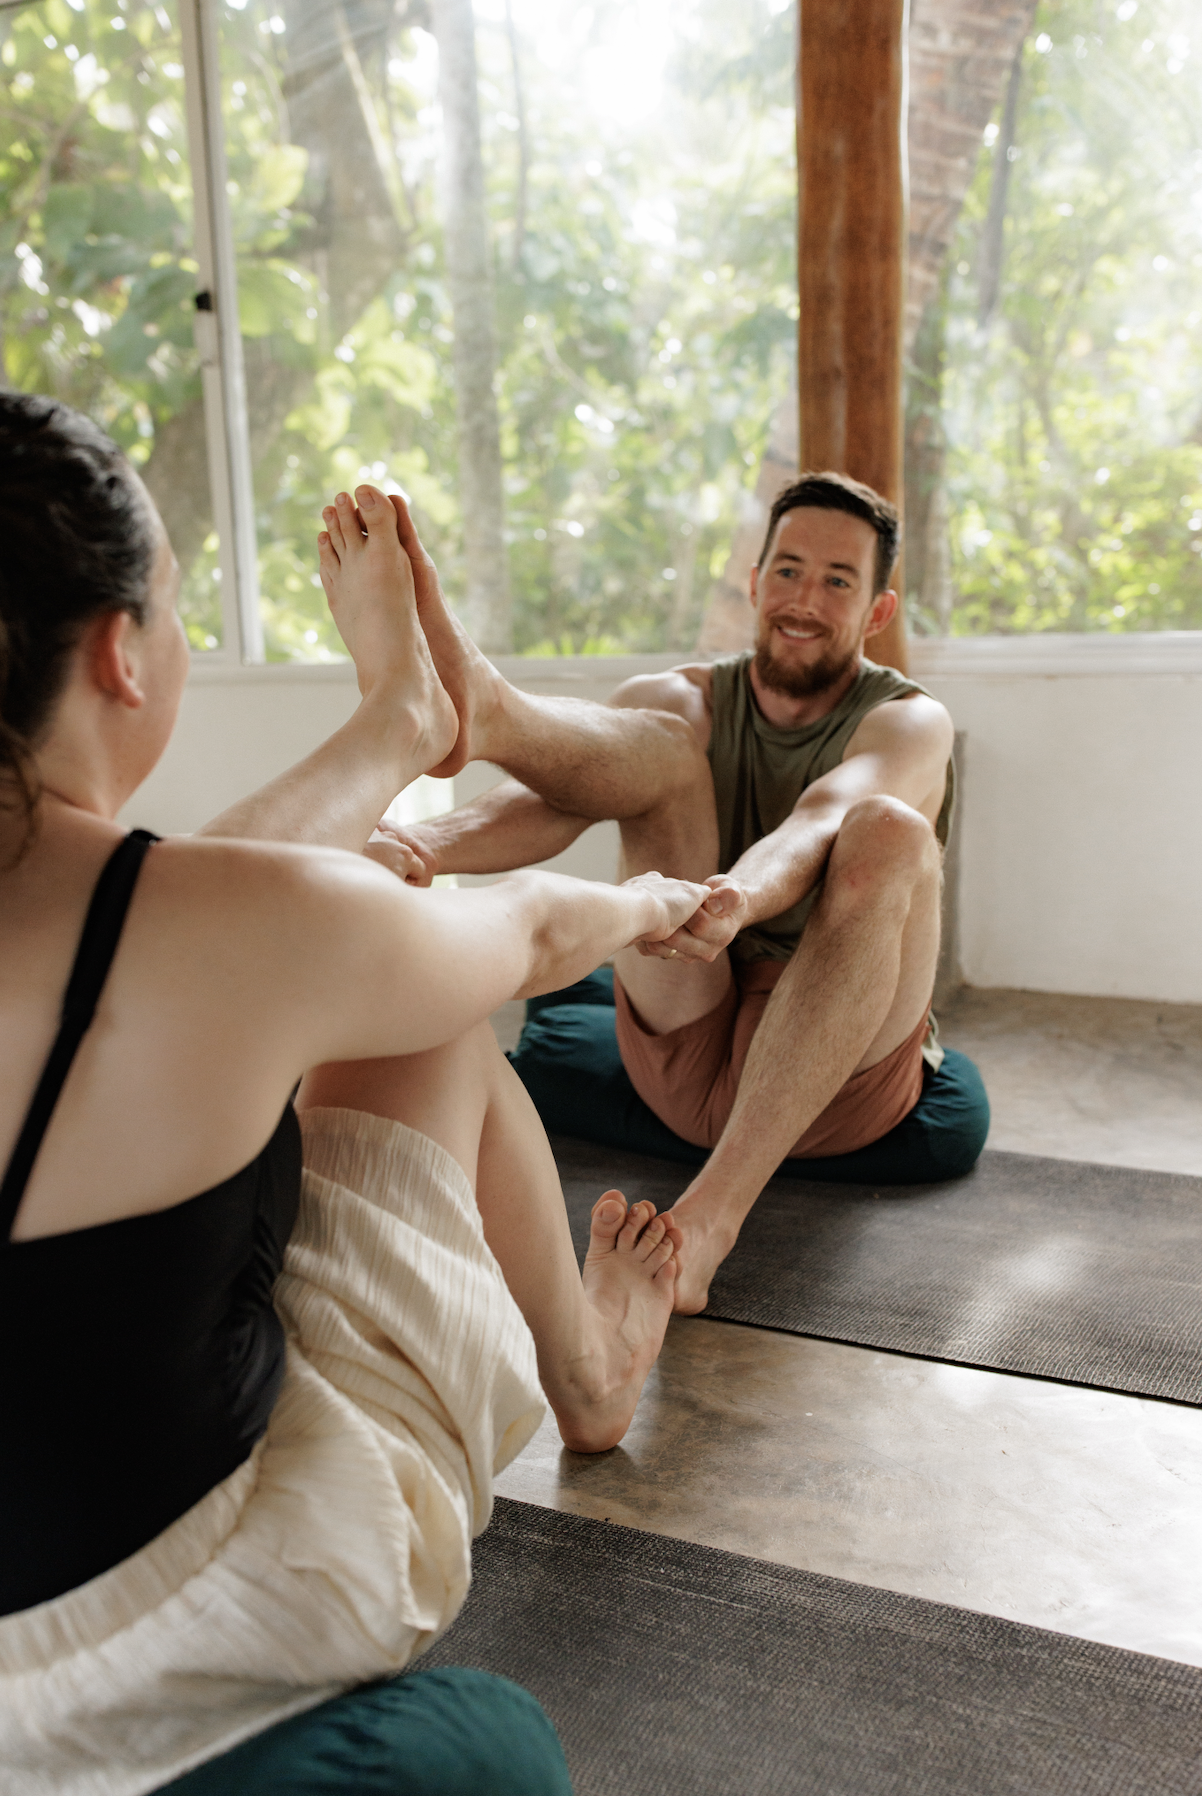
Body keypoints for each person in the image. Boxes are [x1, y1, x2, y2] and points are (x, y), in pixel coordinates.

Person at [0, 393, 711, 1795]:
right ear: (118, 654)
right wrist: (653, 902)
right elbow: (520, 939)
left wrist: (393, 743)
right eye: (180, 609)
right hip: (163, 1625)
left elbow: (162, 909)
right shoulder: (203, 928)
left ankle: (398, 723)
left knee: (302, 929)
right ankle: (589, 1375)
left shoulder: (177, 920)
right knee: (433, 1014)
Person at [372, 472, 960, 1317]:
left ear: (876, 612)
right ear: (756, 584)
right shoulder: (680, 699)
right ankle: (492, 716)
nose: (804, 598)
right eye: (788, 570)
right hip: (688, 1040)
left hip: (841, 1079)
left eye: (838, 581)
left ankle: (710, 1225)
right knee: (661, 747)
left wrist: (738, 898)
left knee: (889, 830)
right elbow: (553, 804)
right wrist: (412, 846)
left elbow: (823, 818)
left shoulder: (908, 719)